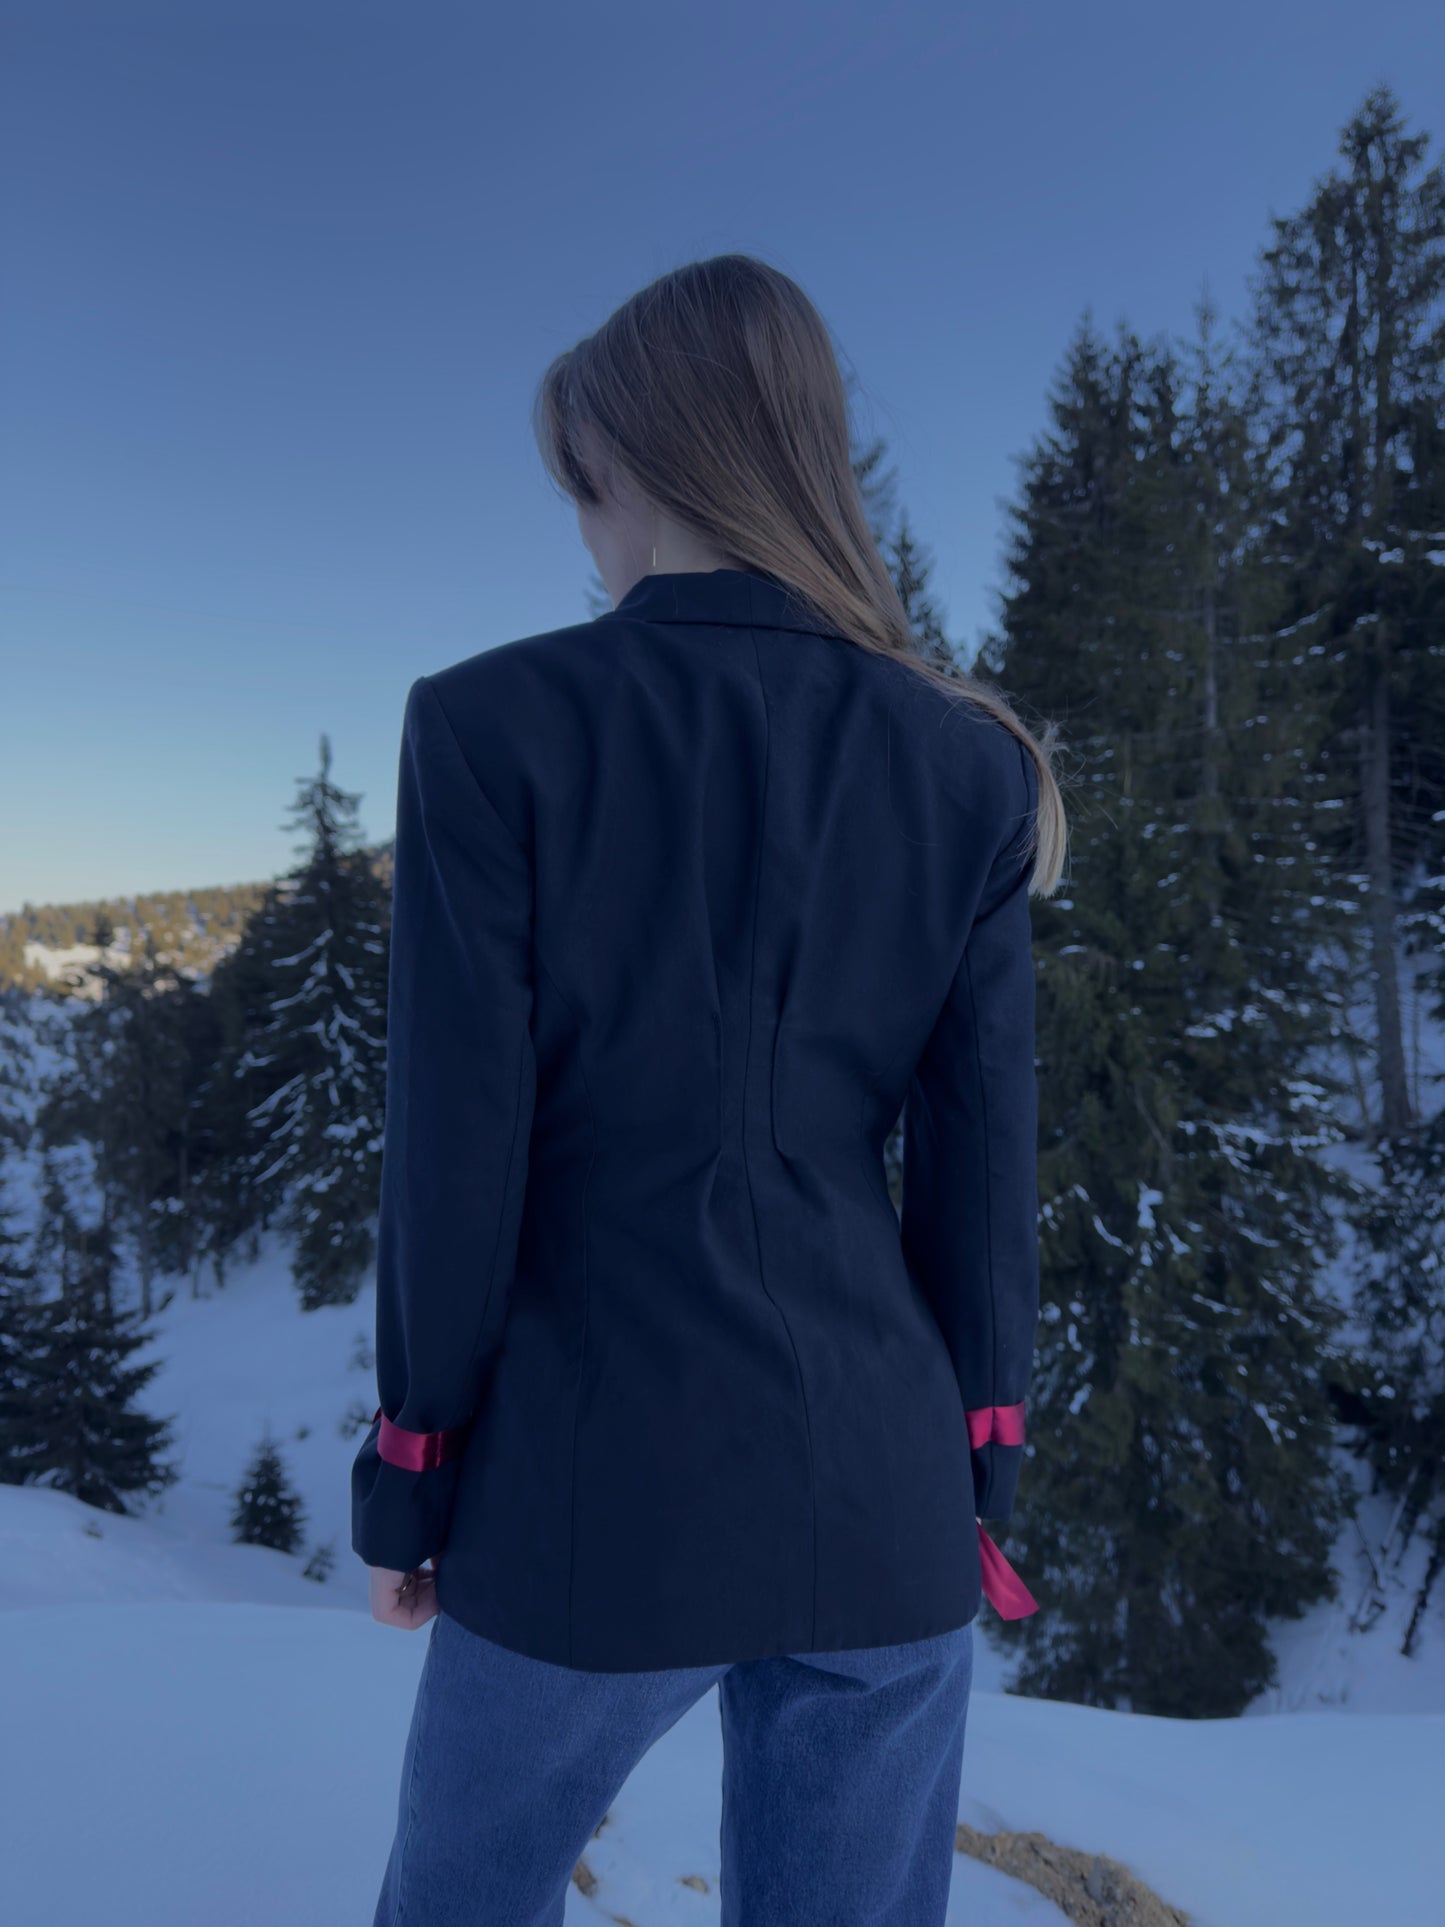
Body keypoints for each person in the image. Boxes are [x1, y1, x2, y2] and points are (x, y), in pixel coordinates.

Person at [350, 252, 1067, 1927]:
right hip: (882, 1509)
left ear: (641, 462)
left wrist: (410, 1469)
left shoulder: (489, 727)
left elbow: (459, 1153)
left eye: (578, 486)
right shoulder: (965, 760)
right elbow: (977, 1181)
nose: (580, 534)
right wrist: (983, 1473)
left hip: (588, 1499)